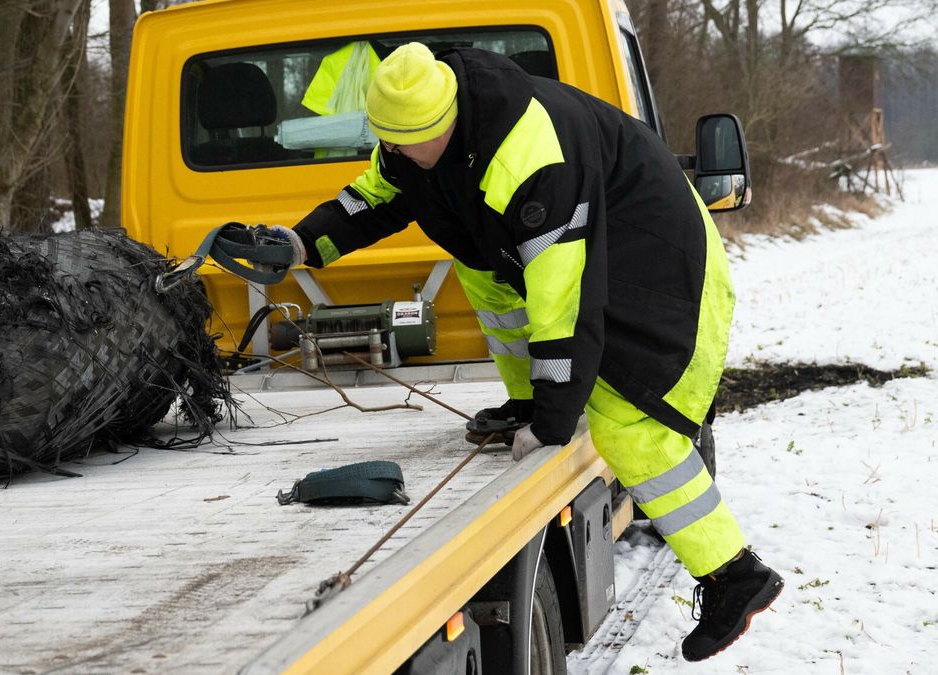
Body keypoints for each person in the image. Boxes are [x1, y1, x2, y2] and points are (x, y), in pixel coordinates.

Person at [268, 42, 783, 662]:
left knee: (630, 427)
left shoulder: (531, 159)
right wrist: (298, 244)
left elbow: (563, 304)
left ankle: (734, 575)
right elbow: (373, 198)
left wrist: (553, 424)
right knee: (481, 265)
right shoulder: (417, 139)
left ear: (442, 123)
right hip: (598, 247)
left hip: (664, 263)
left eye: (404, 144)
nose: (394, 154)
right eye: (388, 142)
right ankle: (524, 398)